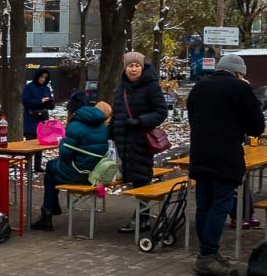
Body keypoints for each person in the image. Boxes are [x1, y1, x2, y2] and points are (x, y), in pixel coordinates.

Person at [185, 53, 265, 276]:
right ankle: (208, 256)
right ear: (239, 73)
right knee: (220, 205)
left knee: (204, 204)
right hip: (226, 155)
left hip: (200, 153)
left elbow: (192, 117)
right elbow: (257, 126)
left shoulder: (199, 87)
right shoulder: (240, 89)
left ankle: (206, 253)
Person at [32, 102, 112, 231]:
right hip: (96, 173)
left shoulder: (75, 126)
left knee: (50, 168)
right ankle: (49, 210)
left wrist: (63, 142)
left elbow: (65, 155)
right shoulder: (102, 127)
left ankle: (47, 214)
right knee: (52, 168)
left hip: (79, 174)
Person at [111, 52, 168, 232]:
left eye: (137, 66)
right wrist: (110, 132)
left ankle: (142, 220)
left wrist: (141, 121)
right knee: (134, 179)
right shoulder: (121, 87)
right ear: (125, 68)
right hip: (122, 141)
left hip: (140, 142)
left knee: (141, 179)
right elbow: (117, 112)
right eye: (130, 66)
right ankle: (141, 217)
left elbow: (161, 112)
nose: (133, 69)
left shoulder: (151, 87)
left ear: (142, 68)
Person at [22, 69, 55, 139]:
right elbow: (25, 101)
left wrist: (50, 103)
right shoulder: (29, 87)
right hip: (31, 120)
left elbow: (50, 106)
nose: (43, 79)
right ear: (37, 76)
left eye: (45, 78)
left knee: (42, 144)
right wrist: (40, 101)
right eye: (42, 77)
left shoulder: (46, 88)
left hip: (43, 119)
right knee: (31, 144)